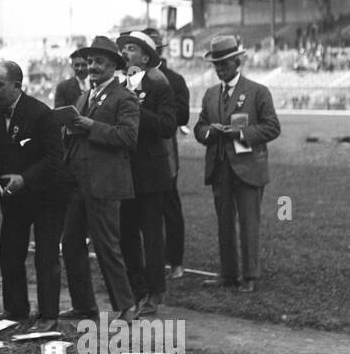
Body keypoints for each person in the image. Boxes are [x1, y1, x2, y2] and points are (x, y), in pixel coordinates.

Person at [0, 61, 72, 332]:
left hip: (47, 196)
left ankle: (48, 316)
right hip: (13, 198)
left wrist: (25, 178)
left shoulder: (41, 113)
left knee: (46, 255)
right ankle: (15, 309)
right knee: (10, 252)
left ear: (17, 85)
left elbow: (54, 157)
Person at [59, 36, 139, 321]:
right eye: (90, 61)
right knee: (71, 244)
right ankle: (83, 304)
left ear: (114, 66)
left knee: (107, 246)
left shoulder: (124, 98)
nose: (92, 66)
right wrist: (67, 129)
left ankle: (127, 306)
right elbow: (76, 132)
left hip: (105, 183)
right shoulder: (85, 96)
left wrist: (92, 126)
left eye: (99, 62)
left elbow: (129, 137)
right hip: (78, 181)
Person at [194, 34, 281, 293]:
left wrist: (241, 134)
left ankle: (250, 276)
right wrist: (210, 132)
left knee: (248, 223)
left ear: (237, 62)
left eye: (224, 64)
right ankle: (228, 274)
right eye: (216, 64)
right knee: (224, 224)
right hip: (220, 167)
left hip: (248, 168)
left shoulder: (257, 91)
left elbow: (272, 127)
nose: (220, 69)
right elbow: (199, 128)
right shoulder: (210, 94)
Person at [116, 32, 177, 316]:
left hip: (151, 172)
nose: (125, 53)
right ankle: (136, 289)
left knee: (152, 235)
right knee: (126, 234)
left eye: (131, 48)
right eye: (124, 48)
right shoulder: (118, 87)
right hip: (123, 171)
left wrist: (136, 110)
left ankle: (155, 291)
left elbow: (168, 126)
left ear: (145, 57)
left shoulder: (159, 86)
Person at [146, 27, 190, 283]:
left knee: (169, 205)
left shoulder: (173, 79)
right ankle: (152, 259)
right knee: (142, 209)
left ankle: (176, 261)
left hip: (164, 150)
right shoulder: (131, 78)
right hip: (137, 152)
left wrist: (159, 110)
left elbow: (182, 116)